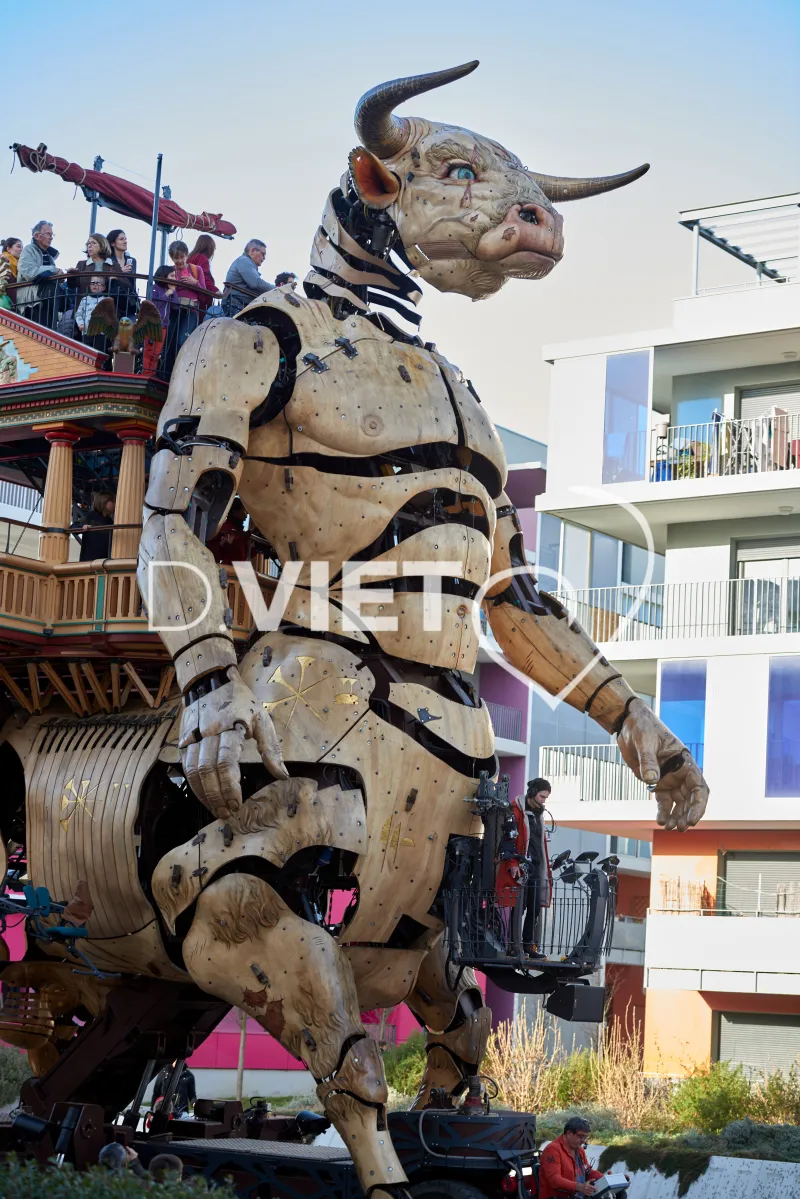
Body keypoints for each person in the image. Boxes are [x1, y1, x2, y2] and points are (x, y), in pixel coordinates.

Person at [538, 1116, 605, 1199]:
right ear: (569, 1133)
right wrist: (579, 1187)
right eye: (581, 1136)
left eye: (585, 1137)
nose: (584, 1141)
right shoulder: (552, 1150)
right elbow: (554, 1179)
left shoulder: (579, 1150)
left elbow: (587, 1171)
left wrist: (608, 1180)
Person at [522, 777, 552, 957]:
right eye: (542, 796)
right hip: (521, 866)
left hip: (536, 867)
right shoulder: (518, 810)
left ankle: (529, 946)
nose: (543, 800)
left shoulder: (539, 815)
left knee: (534, 908)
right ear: (532, 792)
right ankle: (512, 944)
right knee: (518, 907)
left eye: (545, 797)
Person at [16, 221, 64, 326]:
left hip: (45, 301)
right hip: (31, 302)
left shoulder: (49, 255)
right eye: (48, 234)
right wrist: (53, 270)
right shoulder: (28, 249)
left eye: (52, 235)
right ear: (37, 236)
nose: (51, 238)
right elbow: (29, 272)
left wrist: (59, 276)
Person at [223, 238, 272, 314]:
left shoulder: (245, 262)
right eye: (263, 254)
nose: (264, 258)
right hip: (236, 305)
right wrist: (278, 290)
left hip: (237, 304)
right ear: (252, 251)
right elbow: (256, 283)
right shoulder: (244, 261)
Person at [73, 491, 114, 561]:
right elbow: (74, 526)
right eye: (112, 502)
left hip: (104, 560)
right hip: (90, 560)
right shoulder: (91, 516)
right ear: (104, 502)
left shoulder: (110, 521)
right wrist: (82, 526)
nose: (114, 505)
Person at [206, 498, 250, 564]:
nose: (247, 514)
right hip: (228, 568)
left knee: (253, 574)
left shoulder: (238, 530)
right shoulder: (225, 529)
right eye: (244, 510)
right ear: (234, 511)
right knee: (252, 574)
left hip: (238, 567)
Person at [107, 228, 137, 318]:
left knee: (130, 329)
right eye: (121, 239)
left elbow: (133, 283)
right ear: (113, 243)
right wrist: (120, 272)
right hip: (113, 301)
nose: (125, 241)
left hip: (128, 302)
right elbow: (106, 280)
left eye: (125, 239)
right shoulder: (108, 260)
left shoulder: (132, 261)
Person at [188, 233, 218, 314]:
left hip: (187, 297)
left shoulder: (190, 258)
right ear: (209, 248)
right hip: (198, 300)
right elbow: (203, 277)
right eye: (213, 248)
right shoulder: (202, 259)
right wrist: (215, 290)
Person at [0, 237, 22, 309]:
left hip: (14, 303)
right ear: (9, 249)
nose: (21, 249)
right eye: (18, 246)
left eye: (22, 247)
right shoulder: (3, 260)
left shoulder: (20, 265)